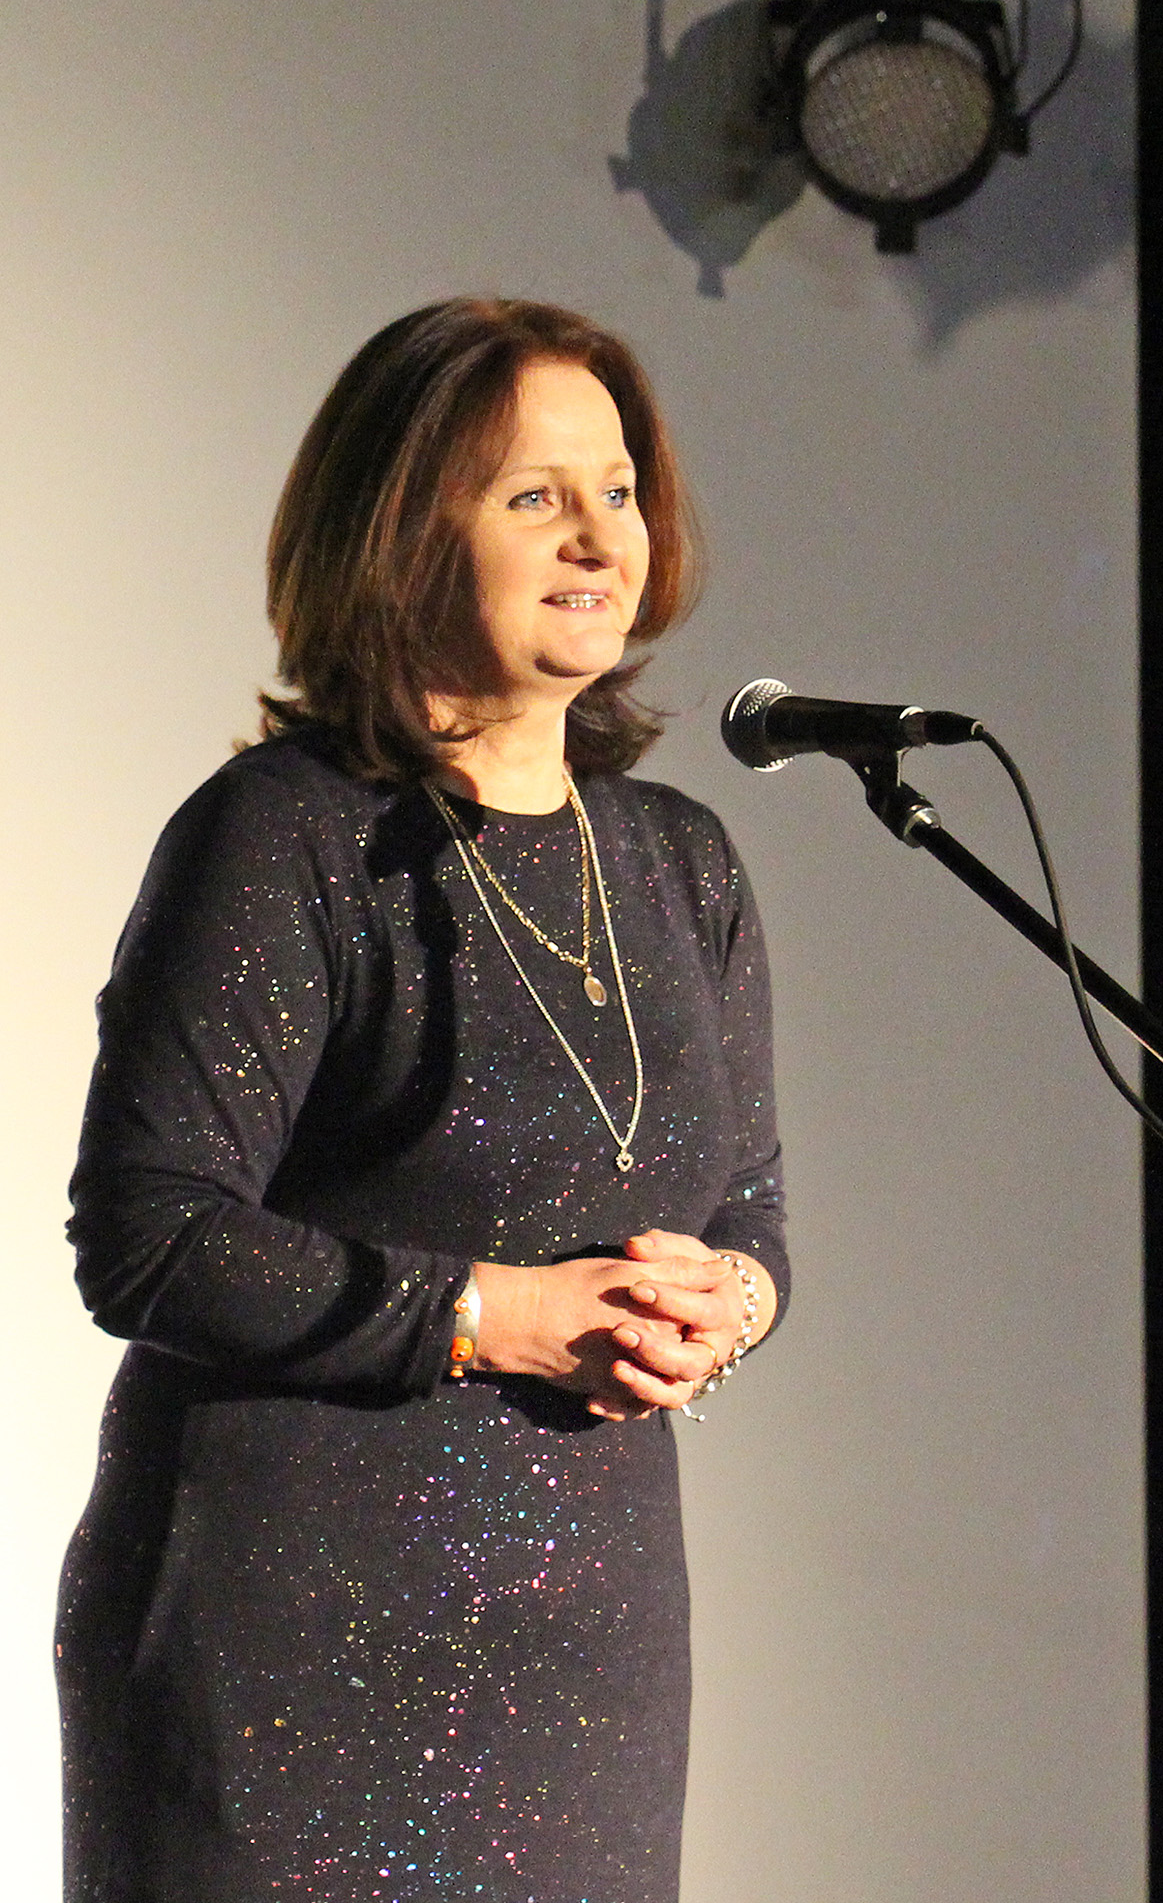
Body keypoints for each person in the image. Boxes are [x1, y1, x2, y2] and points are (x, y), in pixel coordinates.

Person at [57, 297, 787, 1903]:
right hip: (287, 1655)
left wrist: (728, 1302)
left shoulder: (681, 864)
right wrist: (498, 1317)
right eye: (535, 495)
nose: (600, 536)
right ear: (400, 534)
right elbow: (150, 1236)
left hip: (587, 1657)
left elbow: (751, 1209)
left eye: (619, 491)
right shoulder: (286, 833)